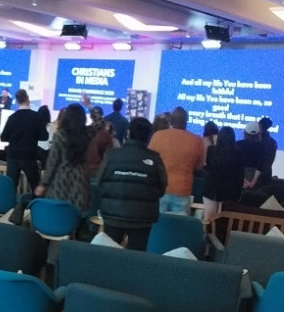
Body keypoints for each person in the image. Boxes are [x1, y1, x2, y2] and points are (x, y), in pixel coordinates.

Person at [97, 117, 167, 250]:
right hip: (142, 217)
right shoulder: (155, 159)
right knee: (136, 257)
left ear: (128, 132)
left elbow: (100, 181)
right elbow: (162, 187)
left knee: (109, 254)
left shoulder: (111, 156)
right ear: (149, 136)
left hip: (113, 213)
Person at [35, 103, 91, 215]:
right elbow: (100, 123)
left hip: (60, 181)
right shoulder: (88, 135)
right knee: (76, 216)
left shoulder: (60, 135)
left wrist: (43, 184)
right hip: (80, 182)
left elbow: (52, 162)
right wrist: (89, 105)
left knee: (57, 215)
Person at [148, 107, 204, 215]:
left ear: (171, 121)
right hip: (182, 190)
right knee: (179, 223)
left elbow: (149, 161)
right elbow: (199, 167)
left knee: (157, 222)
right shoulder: (196, 140)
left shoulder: (158, 136)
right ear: (186, 122)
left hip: (159, 188)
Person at [0, 89, 48, 191]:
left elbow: (3, 137)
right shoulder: (36, 117)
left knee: (11, 187)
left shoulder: (12, 118)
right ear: (28, 99)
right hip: (29, 156)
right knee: (35, 186)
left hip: (13, 156)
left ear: (17, 101)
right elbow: (44, 137)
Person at [201, 127, 244, 224]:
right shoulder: (239, 153)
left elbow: (208, 168)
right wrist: (239, 193)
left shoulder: (211, 150)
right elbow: (240, 175)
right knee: (223, 222)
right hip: (229, 191)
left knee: (208, 219)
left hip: (211, 190)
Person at [86, 106, 116, 175]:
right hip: (101, 171)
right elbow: (110, 155)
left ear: (91, 116)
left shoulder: (85, 132)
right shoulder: (106, 134)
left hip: (86, 170)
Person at [236, 122, 265, 189]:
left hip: (239, 175)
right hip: (255, 177)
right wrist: (253, 182)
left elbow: (235, 163)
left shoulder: (238, 144)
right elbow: (260, 166)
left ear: (245, 133)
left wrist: (243, 179)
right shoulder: (262, 147)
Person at [258, 117, 277, 187]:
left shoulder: (257, 141)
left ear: (260, 125)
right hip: (266, 173)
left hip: (258, 174)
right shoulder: (272, 142)